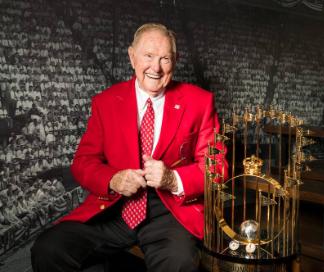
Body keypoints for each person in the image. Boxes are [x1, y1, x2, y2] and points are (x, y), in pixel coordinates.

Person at [31, 23, 226, 272]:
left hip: (167, 213)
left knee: (179, 264)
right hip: (114, 209)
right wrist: (112, 179)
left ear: (175, 61)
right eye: (148, 56)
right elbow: (83, 162)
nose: (156, 67)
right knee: (49, 249)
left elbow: (217, 168)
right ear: (132, 56)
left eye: (165, 58)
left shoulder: (200, 102)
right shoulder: (106, 102)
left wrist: (172, 178)